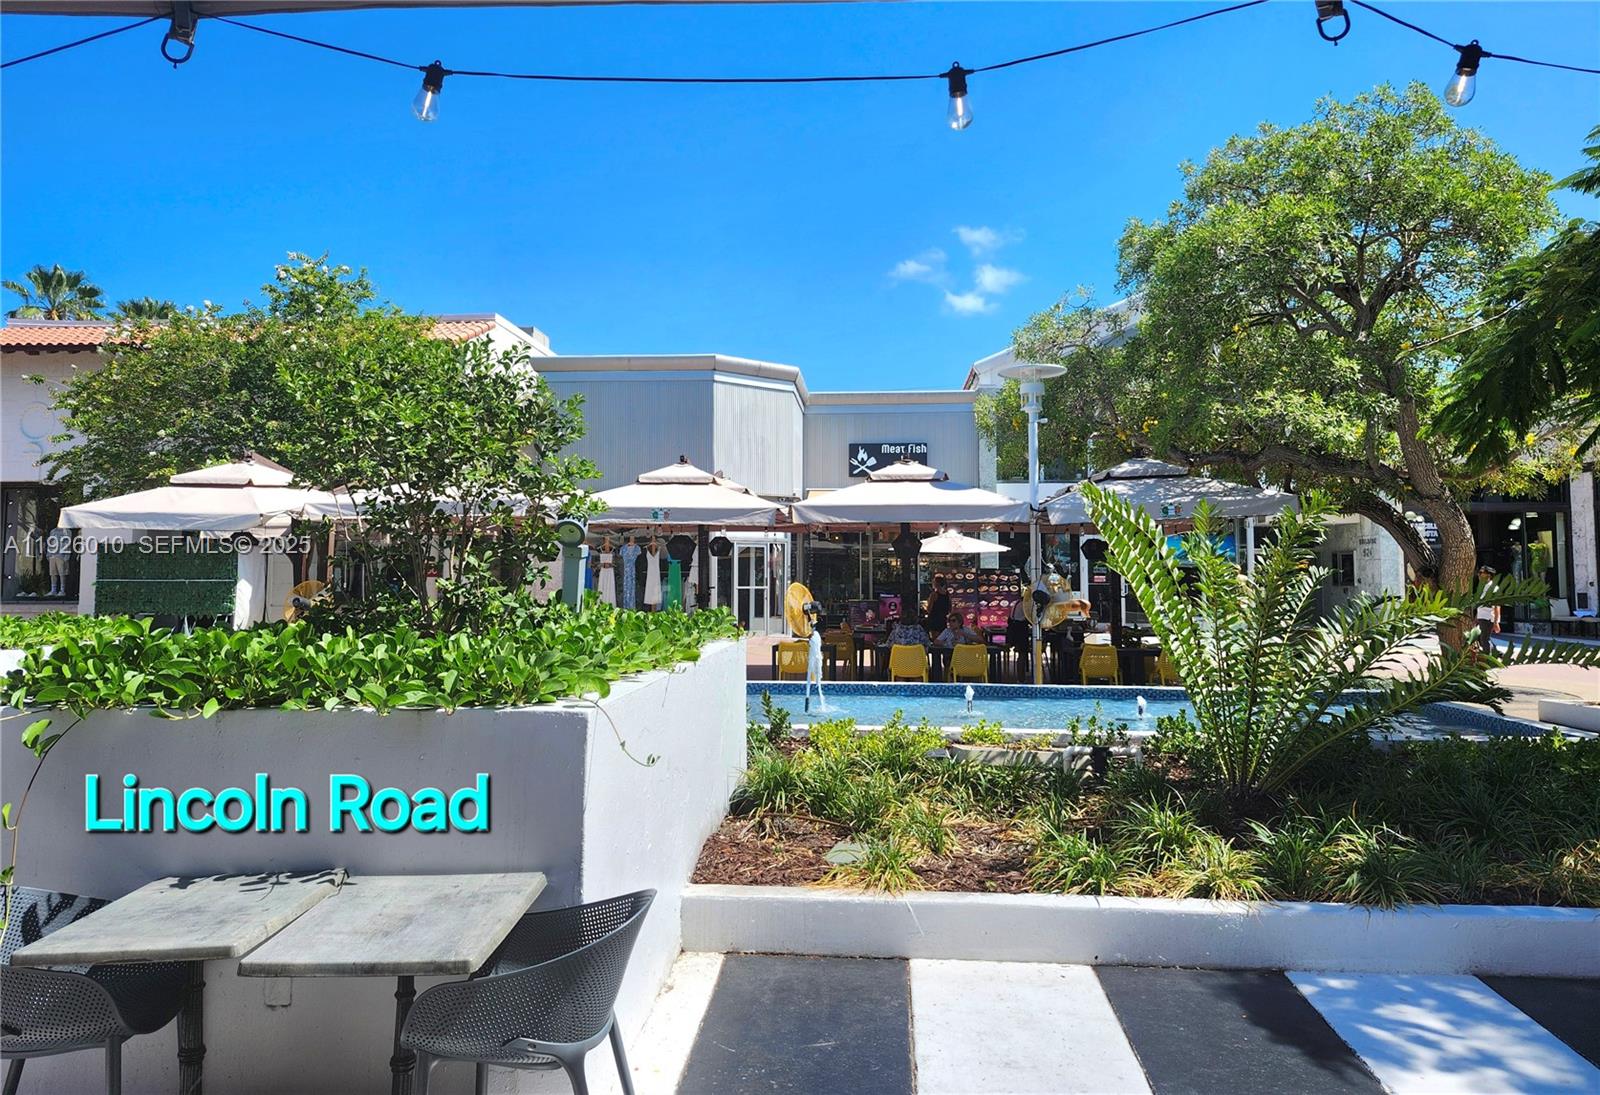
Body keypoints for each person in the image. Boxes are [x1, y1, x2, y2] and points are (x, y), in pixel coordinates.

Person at [1475, 564, 1501, 654]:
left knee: (1484, 639)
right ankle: (1497, 653)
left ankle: (1488, 659)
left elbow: (1497, 606)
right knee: (1481, 638)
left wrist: (1496, 622)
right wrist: (1477, 617)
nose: (1479, 575)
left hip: (1488, 617)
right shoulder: (1482, 587)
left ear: (1488, 575)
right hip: (1481, 617)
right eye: (1479, 573)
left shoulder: (1493, 588)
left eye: (1481, 573)